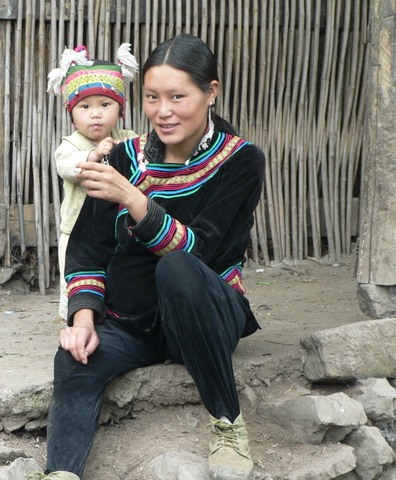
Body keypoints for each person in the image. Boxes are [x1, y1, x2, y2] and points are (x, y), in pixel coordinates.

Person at [38, 34, 266, 480]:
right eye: (151, 97)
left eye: (178, 97)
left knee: (177, 267)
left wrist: (134, 199)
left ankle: (228, 424)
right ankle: (60, 473)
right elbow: (88, 246)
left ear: (210, 93)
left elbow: (202, 251)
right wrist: (82, 321)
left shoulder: (240, 161)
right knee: (73, 357)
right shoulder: (123, 156)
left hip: (205, 317)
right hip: (132, 322)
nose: (164, 111)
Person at [47, 44, 139, 320]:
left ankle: (110, 317)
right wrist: (94, 154)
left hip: (118, 227)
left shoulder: (129, 137)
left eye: (105, 105)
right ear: (72, 113)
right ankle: (75, 319)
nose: (95, 114)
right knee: (74, 276)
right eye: (85, 106)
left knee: (113, 272)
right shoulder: (71, 144)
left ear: (120, 109)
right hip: (77, 231)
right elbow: (65, 167)